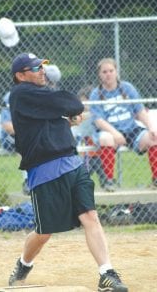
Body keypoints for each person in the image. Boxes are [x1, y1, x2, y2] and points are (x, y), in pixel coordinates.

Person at [8, 52, 128, 292]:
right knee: (44, 232)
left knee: (90, 217)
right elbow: (72, 103)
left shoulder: (40, 96)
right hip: (44, 171)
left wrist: (66, 115)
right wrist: (67, 112)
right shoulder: (21, 94)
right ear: (20, 76)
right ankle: (24, 264)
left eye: (42, 66)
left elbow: (64, 108)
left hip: (72, 163)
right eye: (35, 68)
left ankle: (107, 273)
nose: (42, 71)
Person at [90, 57, 157, 191]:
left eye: (111, 70)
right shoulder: (96, 94)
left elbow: (140, 111)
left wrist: (151, 128)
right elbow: (98, 121)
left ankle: (156, 180)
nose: (108, 74)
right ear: (99, 74)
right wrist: (115, 133)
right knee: (105, 138)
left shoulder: (127, 88)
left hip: (131, 129)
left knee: (153, 138)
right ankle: (109, 182)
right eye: (104, 72)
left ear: (116, 72)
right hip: (111, 132)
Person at [72, 85, 107, 189]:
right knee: (87, 170)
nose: (83, 105)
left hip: (100, 152)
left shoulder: (96, 115)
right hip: (88, 154)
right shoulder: (80, 116)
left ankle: (105, 184)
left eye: (85, 102)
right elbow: (77, 133)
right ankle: (81, 186)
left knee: (101, 170)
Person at [0, 91, 29, 194]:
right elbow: (7, 126)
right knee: (27, 140)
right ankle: (27, 180)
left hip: (36, 135)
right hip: (11, 138)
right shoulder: (11, 96)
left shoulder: (43, 94)